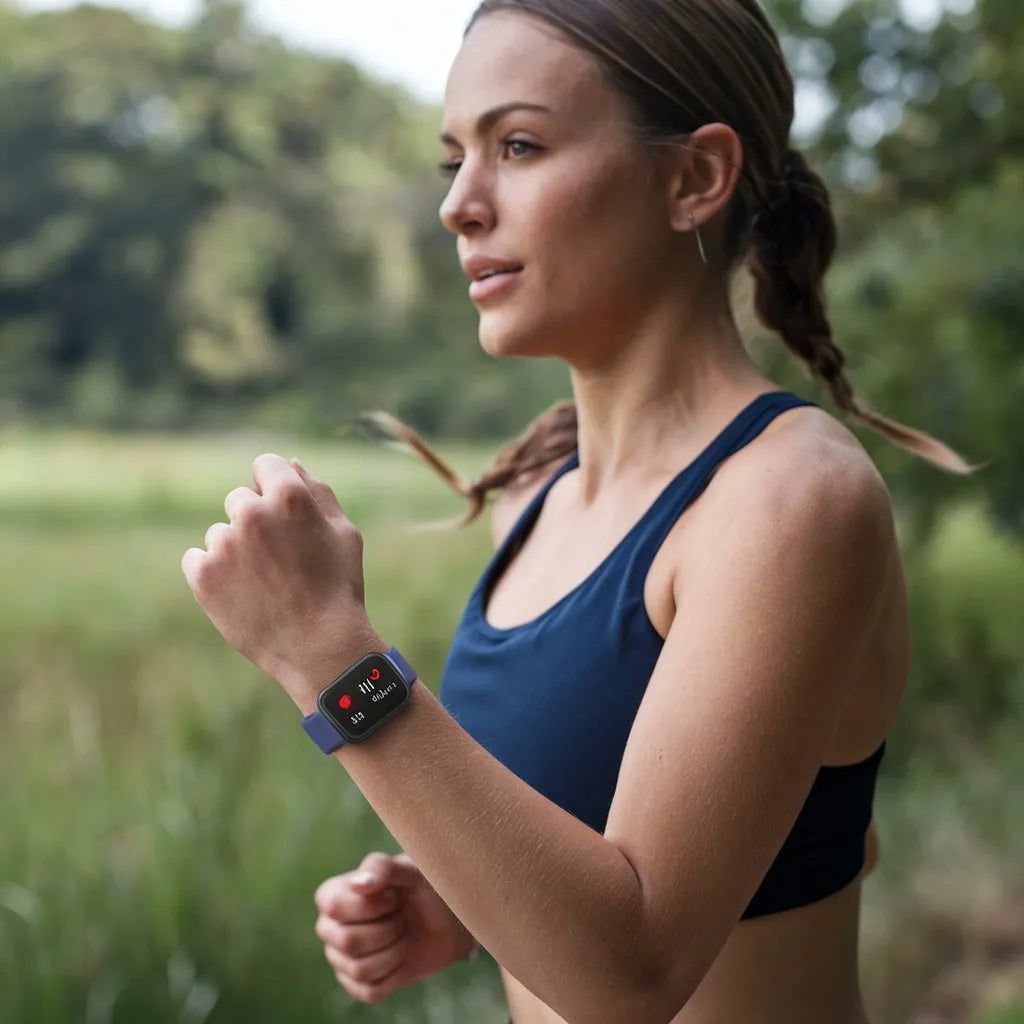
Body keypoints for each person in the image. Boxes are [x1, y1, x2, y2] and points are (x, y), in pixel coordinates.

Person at [182, 2, 973, 1022]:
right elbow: (671, 849)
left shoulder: (788, 499)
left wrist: (328, 654)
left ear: (694, 177)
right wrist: (471, 906)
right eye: (452, 161)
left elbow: (632, 974)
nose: (459, 206)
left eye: (518, 146)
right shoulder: (538, 493)